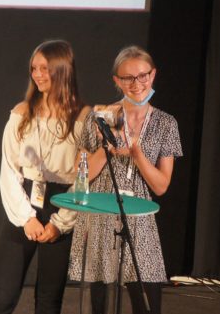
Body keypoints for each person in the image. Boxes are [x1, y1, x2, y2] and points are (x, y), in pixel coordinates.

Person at [68, 45, 183, 314]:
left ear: (153, 75)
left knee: (146, 304)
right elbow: (80, 173)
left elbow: (161, 186)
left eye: (143, 75)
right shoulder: (98, 118)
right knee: (99, 305)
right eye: (128, 78)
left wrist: (137, 153)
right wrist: (102, 147)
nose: (137, 83)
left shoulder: (166, 124)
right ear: (117, 81)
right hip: (100, 218)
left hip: (139, 221)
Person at [0, 40, 90, 314]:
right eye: (34, 68)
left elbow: (83, 179)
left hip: (63, 203)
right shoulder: (21, 113)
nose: (38, 74)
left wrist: (61, 222)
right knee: (2, 297)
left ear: (63, 69)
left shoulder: (83, 117)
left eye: (45, 68)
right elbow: (9, 170)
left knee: (48, 301)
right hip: (25, 201)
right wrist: (26, 217)